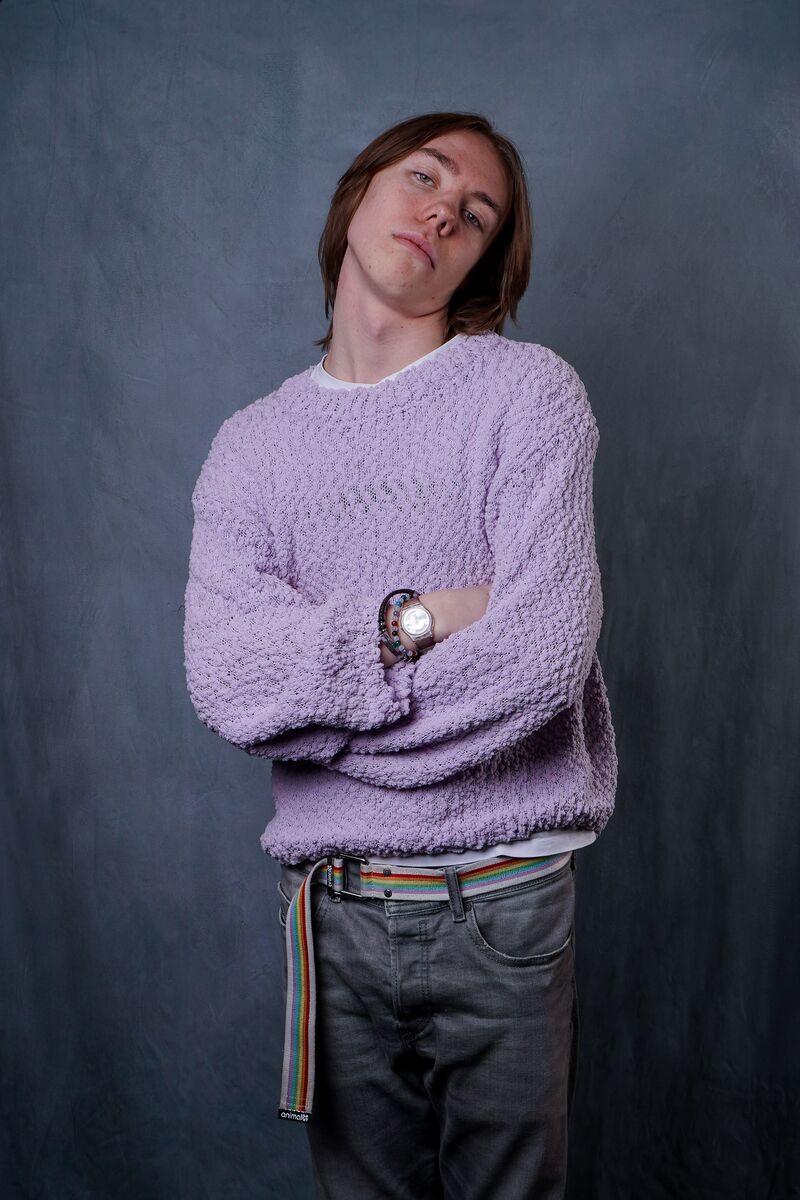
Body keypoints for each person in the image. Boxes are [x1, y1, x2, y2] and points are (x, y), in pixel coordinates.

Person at [183, 110, 618, 1200]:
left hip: (503, 900)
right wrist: (409, 621)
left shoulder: (527, 395)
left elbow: (540, 658)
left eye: (473, 216)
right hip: (332, 909)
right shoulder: (250, 447)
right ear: (361, 191)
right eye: (423, 177)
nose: (440, 210)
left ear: (481, 264)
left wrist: (332, 731)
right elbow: (226, 679)